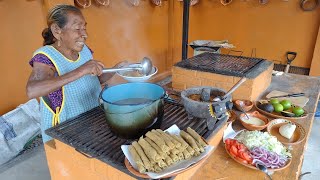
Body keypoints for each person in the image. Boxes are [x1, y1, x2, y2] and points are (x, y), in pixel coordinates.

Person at [26, 5, 125, 143]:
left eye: (84, 28)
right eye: (77, 28)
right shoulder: (45, 57)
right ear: (57, 30)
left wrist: (116, 69)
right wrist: (81, 70)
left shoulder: (84, 50)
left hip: (92, 121)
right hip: (64, 132)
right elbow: (32, 90)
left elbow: (94, 80)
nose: (84, 34)